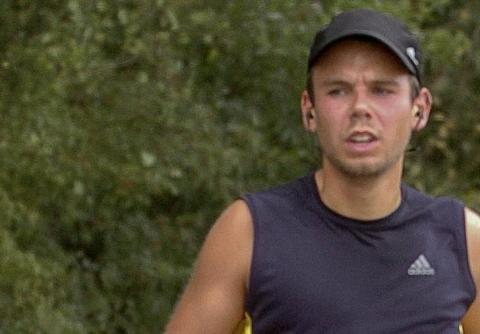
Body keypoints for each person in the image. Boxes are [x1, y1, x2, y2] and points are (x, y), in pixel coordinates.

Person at [166, 8, 480, 333]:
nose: (360, 107)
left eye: (382, 90)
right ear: (309, 110)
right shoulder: (249, 232)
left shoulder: (462, 240)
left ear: (420, 109)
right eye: (338, 90)